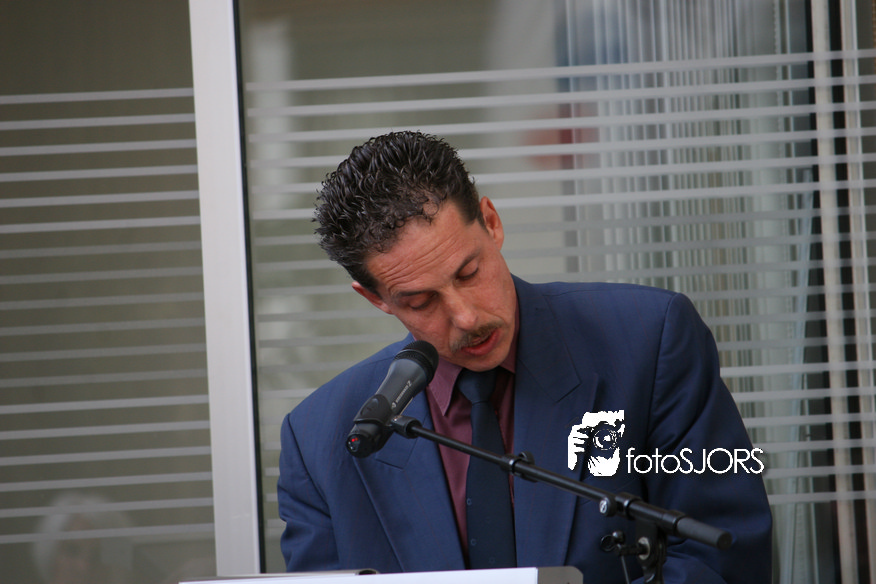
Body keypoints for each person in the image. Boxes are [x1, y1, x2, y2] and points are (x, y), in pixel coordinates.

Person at [277, 131, 772, 583]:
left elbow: (723, 555)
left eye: (469, 273)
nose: (466, 317)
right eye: (421, 301)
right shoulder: (319, 440)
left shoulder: (650, 340)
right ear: (376, 299)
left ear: (491, 223)